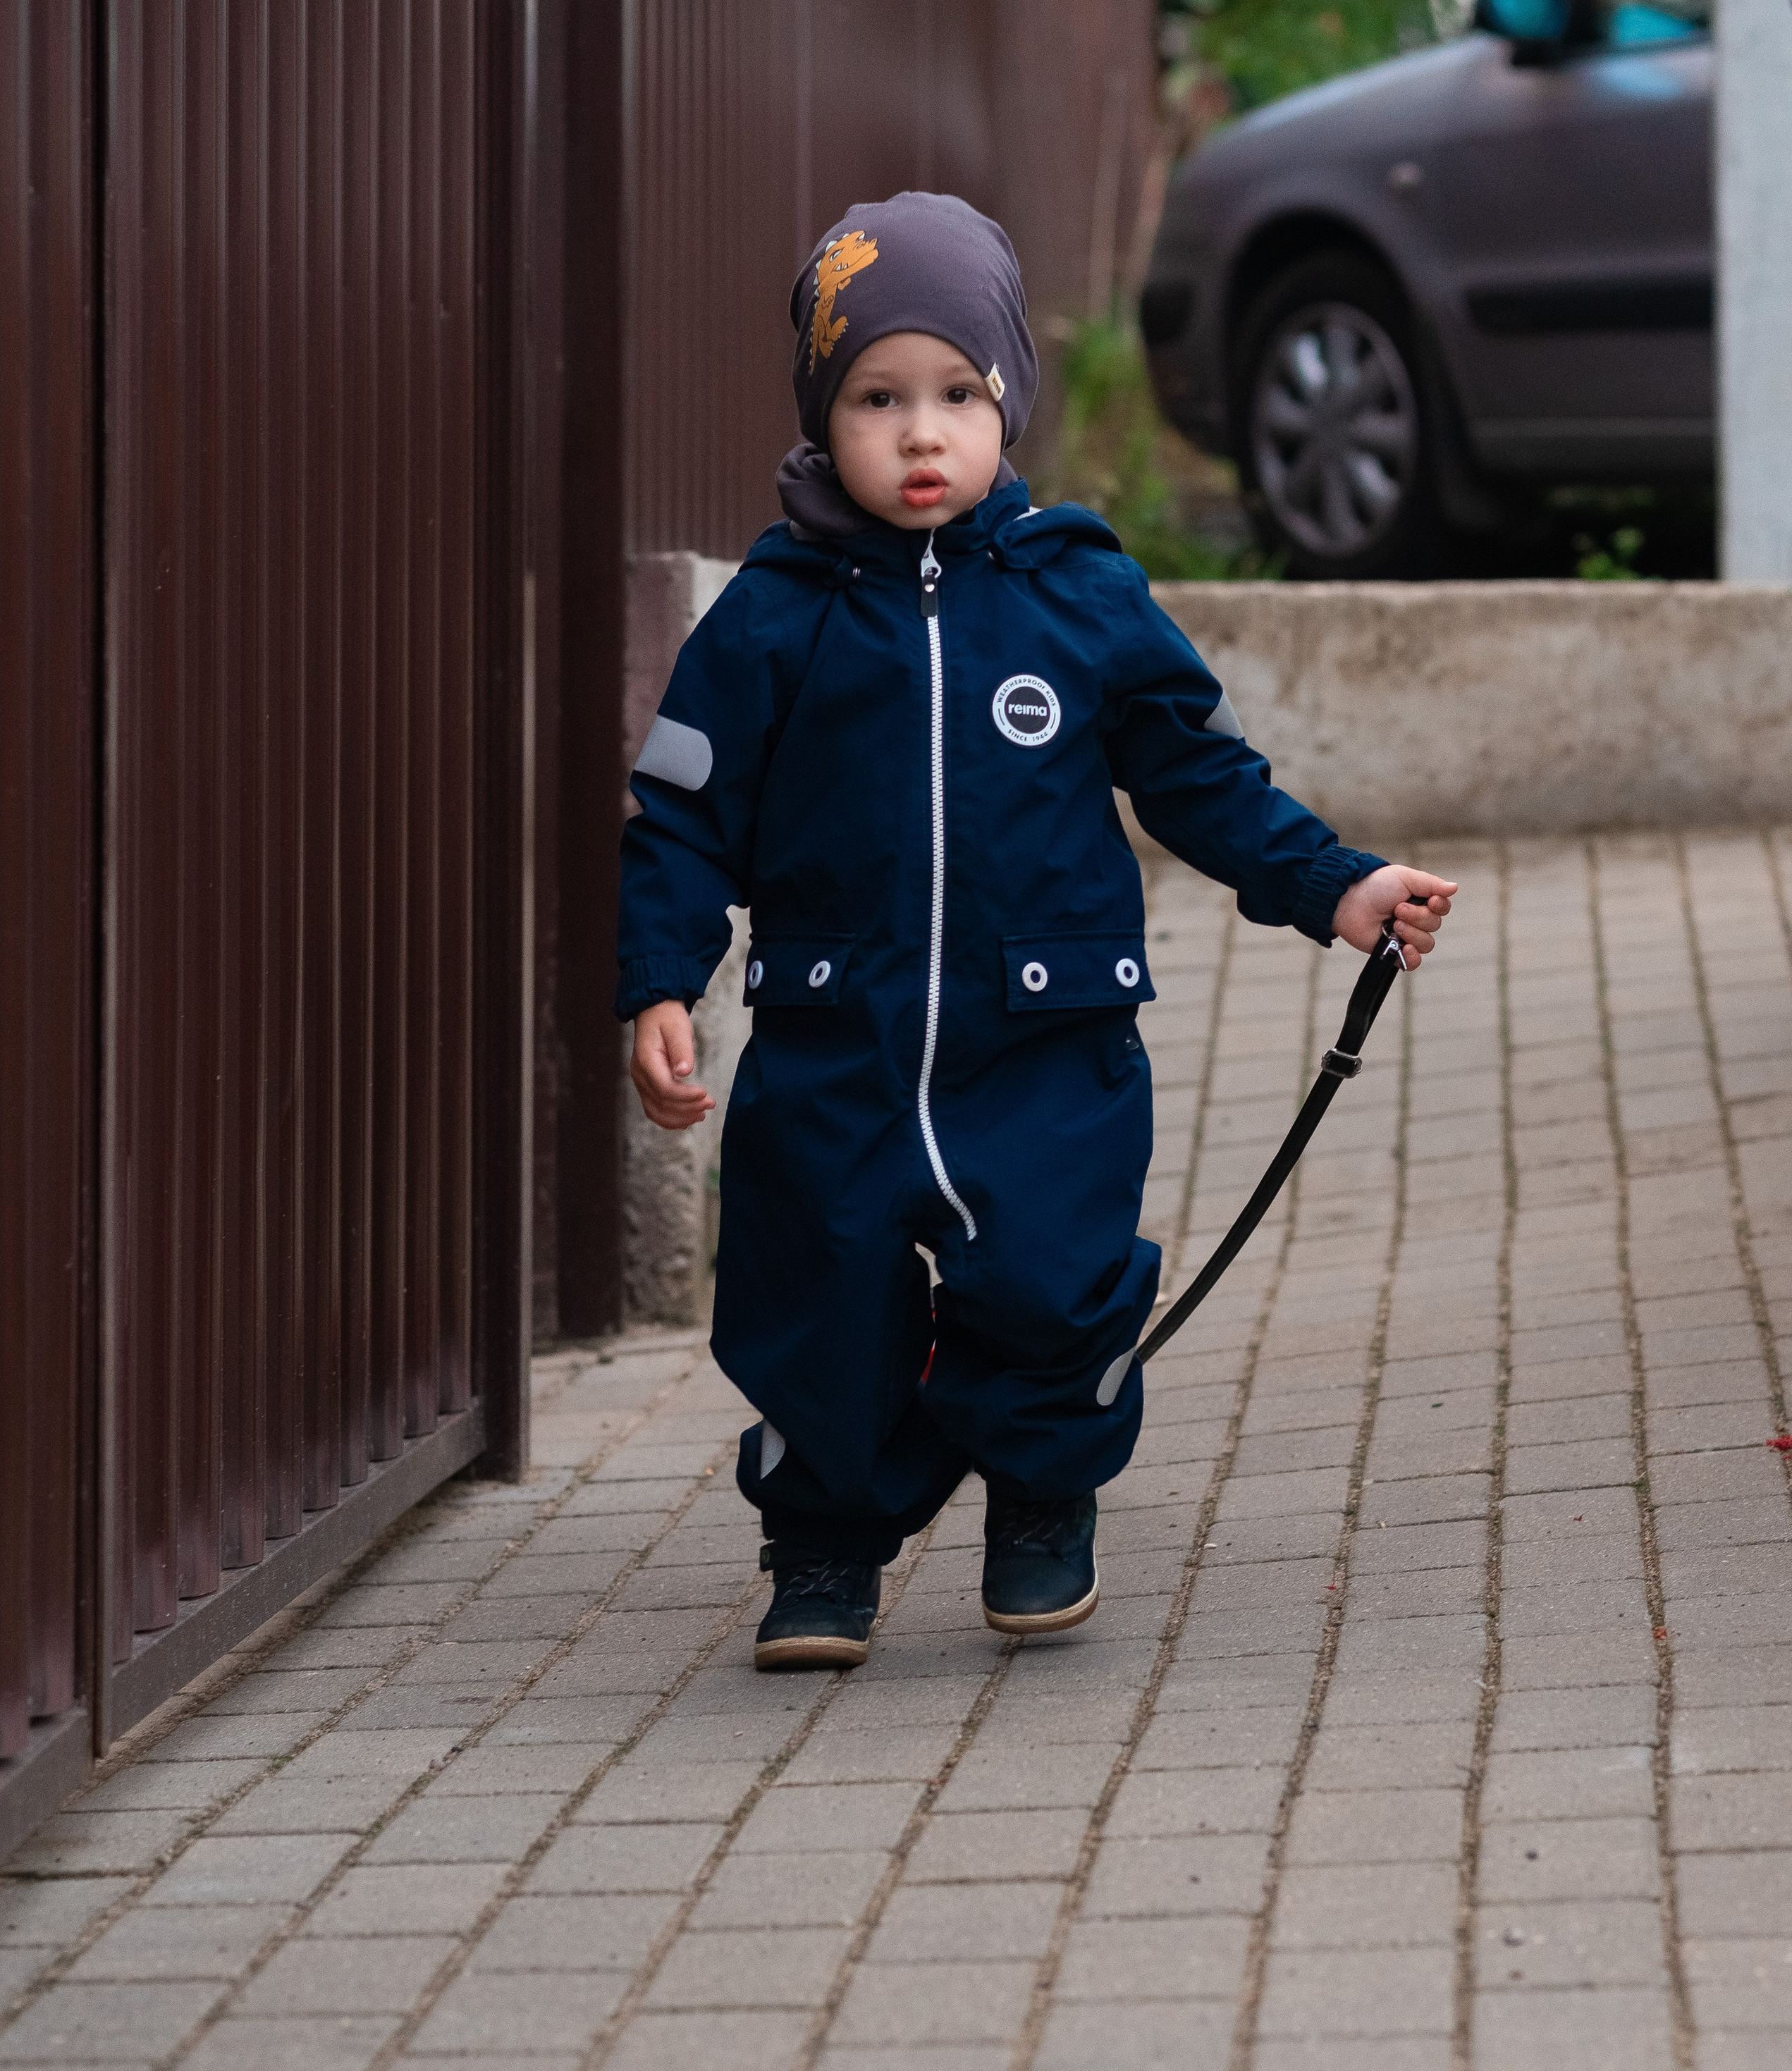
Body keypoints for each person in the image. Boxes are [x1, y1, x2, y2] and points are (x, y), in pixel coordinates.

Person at [616, 192, 1454, 1671]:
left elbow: (1197, 775)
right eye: (877, 399)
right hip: (836, 1035)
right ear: (825, 418)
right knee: (815, 1292)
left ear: (1008, 400)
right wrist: (659, 980)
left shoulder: (1076, 590)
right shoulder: (769, 617)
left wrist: (1335, 886)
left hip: (1045, 1033)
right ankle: (821, 1543)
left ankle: (1038, 1501)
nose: (920, 435)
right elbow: (682, 819)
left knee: (1051, 1279)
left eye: (955, 394)